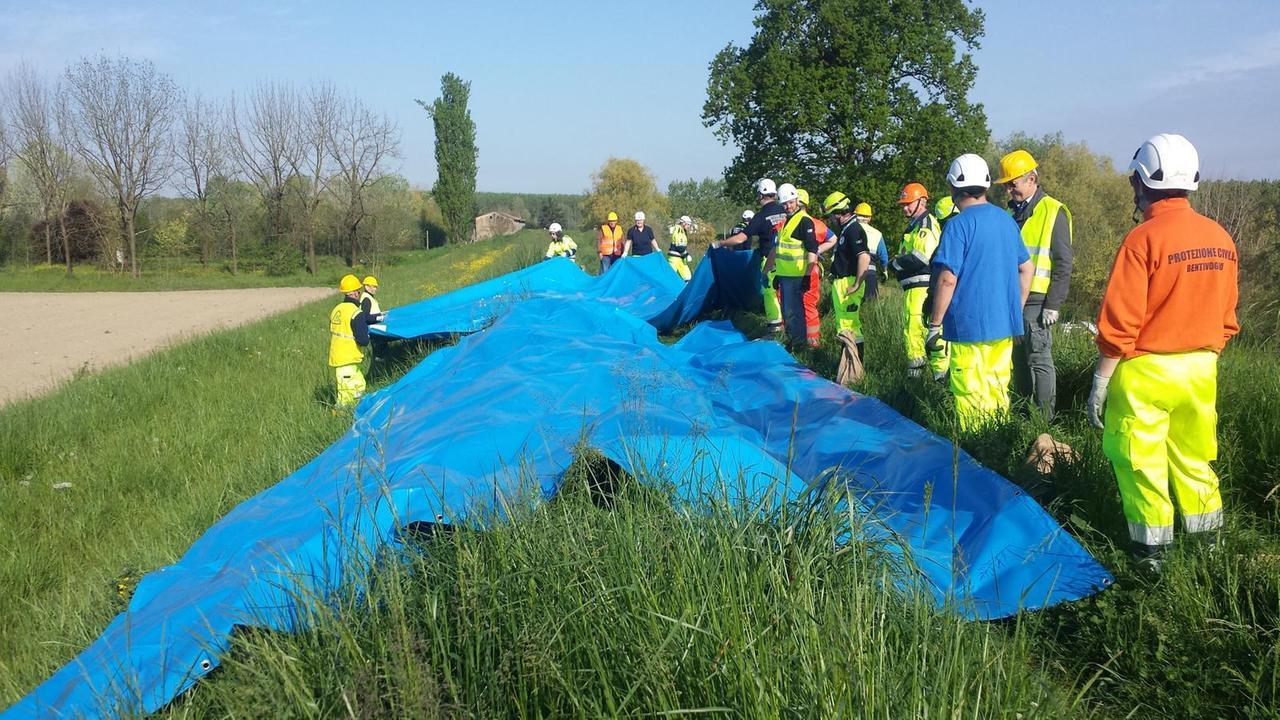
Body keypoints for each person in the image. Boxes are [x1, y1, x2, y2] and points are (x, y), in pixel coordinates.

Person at [1087, 133, 1238, 573]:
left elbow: (1120, 322)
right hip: (1201, 366)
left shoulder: (1142, 239)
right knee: (1194, 458)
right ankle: (1209, 548)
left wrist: (1100, 380)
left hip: (1144, 371)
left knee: (1141, 462)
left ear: (1140, 181)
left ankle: (1151, 558)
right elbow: (1227, 315)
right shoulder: (1220, 237)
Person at [927, 154, 1033, 431]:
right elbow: (1027, 269)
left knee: (970, 393)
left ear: (953, 189)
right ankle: (999, 442)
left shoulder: (957, 226)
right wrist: (1015, 309)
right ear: (986, 185)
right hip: (1004, 326)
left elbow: (947, 279)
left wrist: (934, 324)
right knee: (997, 387)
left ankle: (976, 447)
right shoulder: (1007, 220)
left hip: (968, 326)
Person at [997, 149, 1074, 422]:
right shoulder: (1010, 213)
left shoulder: (1053, 211)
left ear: (1031, 179)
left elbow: (1064, 263)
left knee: (1039, 359)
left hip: (1038, 301)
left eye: (1012, 184)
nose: (1008, 191)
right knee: (1017, 359)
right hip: (1013, 298)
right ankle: (1021, 414)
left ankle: (1042, 421)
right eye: (1006, 185)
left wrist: (1053, 304)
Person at [888, 182, 948, 379]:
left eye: (908, 203)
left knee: (922, 333)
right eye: (903, 204)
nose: (904, 208)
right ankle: (915, 379)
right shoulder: (913, 227)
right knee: (912, 333)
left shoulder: (926, 223)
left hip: (922, 289)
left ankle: (940, 381)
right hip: (912, 289)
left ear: (921, 202)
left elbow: (921, 256)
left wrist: (895, 263)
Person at [714, 179, 788, 333]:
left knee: (769, 291)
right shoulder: (785, 210)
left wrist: (722, 243)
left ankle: (775, 326)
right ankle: (790, 324)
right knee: (787, 291)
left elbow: (741, 238)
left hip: (770, 259)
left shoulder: (761, 217)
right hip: (790, 259)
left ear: (760, 195)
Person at [768, 183, 819, 349]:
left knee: (795, 313)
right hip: (785, 275)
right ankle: (792, 342)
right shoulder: (786, 222)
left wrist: (807, 275)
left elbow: (812, 249)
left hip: (798, 275)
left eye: (790, 202)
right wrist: (777, 274)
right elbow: (782, 251)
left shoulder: (804, 221)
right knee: (787, 313)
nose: (788, 206)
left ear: (797, 200)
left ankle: (799, 345)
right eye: (784, 204)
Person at [822, 191, 871, 360]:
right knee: (844, 324)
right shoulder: (847, 229)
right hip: (842, 282)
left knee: (850, 326)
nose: (829, 220)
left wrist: (857, 283)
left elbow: (864, 256)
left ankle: (854, 367)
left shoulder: (853, 230)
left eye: (830, 216)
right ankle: (848, 364)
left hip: (848, 283)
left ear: (839, 213)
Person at [330, 274, 373, 408]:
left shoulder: (336, 310)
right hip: (348, 358)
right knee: (347, 396)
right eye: (358, 290)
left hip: (339, 358)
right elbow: (363, 340)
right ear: (354, 292)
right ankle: (342, 418)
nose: (359, 293)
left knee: (358, 387)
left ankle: (351, 415)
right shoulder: (356, 312)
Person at [797, 189, 831, 347]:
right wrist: (817, 251)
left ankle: (802, 339)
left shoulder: (789, 223)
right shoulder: (818, 224)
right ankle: (813, 340)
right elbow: (833, 239)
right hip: (812, 267)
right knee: (809, 304)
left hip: (797, 269)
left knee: (793, 303)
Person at [853, 203, 887, 301]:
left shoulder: (848, 231)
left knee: (850, 305)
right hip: (869, 274)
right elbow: (883, 256)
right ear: (869, 218)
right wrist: (885, 271)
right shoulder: (877, 234)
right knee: (869, 304)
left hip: (851, 273)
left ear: (855, 216)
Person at [667, 216, 694, 281]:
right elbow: (680, 247)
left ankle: (686, 290)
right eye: (688, 224)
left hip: (681, 258)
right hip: (674, 259)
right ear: (683, 223)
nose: (689, 226)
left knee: (688, 277)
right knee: (670, 277)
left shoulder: (683, 231)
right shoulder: (679, 230)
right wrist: (687, 255)